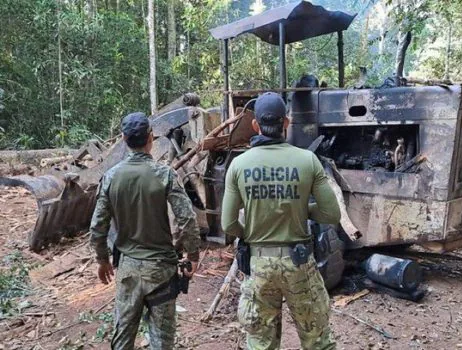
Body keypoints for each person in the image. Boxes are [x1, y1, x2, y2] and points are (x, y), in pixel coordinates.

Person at [221, 92, 341, 350]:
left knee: (260, 342)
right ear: (286, 123)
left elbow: (228, 224)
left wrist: (251, 233)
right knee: (318, 341)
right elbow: (332, 214)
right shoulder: (307, 160)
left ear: (256, 125)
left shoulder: (239, 165)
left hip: (259, 265)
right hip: (298, 264)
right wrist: (303, 210)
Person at [90, 112, 200, 350]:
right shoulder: (165, 174)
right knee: (161, 340)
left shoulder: (110, 177)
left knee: (123, 337)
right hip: (161, 271)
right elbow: (187, 219)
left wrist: (102, 260)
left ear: (123, 138)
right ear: (151, 137)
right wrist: (192, 256)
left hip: (128, 270)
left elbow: (98, 226)